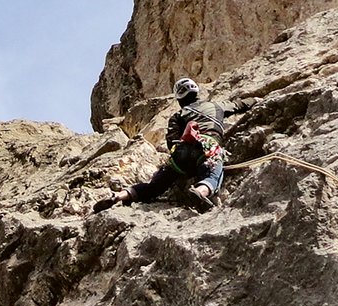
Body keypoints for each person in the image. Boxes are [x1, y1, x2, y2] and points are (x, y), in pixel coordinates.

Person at [94, 78, 253, 213]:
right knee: (212, 176)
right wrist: (255, 101)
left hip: (181, 154)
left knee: (154, 187)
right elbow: (239, 105)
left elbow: (172, 142)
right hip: (207, 149)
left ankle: (120, 196)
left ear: (179, 98)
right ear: (196, 92)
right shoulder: (216, 106)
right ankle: (200, 191)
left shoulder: (178, 115)